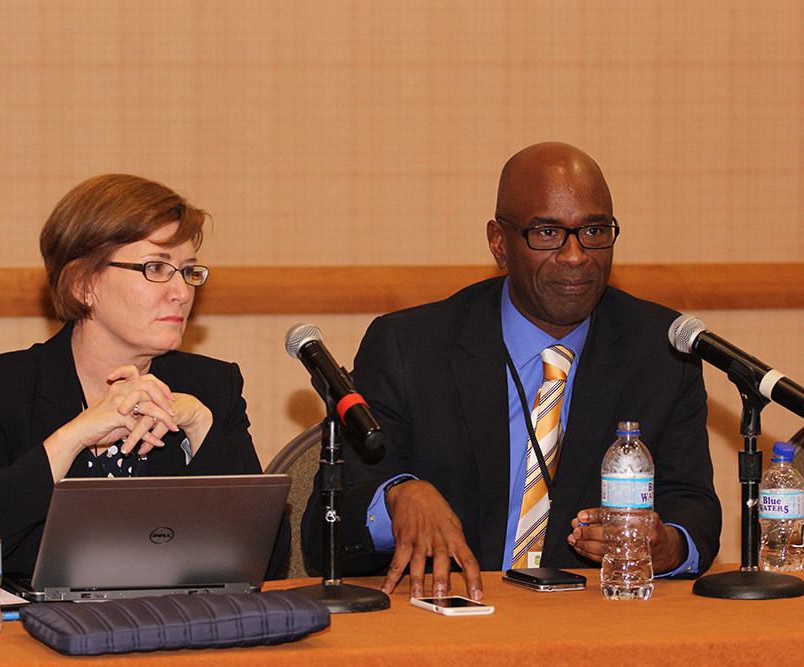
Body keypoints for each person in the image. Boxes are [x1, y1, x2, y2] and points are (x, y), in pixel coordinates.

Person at [302, 142, 721, 600]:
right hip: (449, 615)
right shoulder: (409, 348)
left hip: (594, 618)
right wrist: (396, 498)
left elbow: (693, 507)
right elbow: (323, 530)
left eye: (594, 230)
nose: (576, 255)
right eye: (547, 232)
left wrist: (668, 546)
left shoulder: (660, 350)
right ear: (499, 243)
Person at [0, 174, 287, 592]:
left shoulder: (212, 388)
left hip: (176, 627)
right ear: (83, 284)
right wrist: (72, 437)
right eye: (156, 268)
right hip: (36, 630)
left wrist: (201, 427)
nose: (182, 292)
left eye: (187, 271)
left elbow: (268, 562)